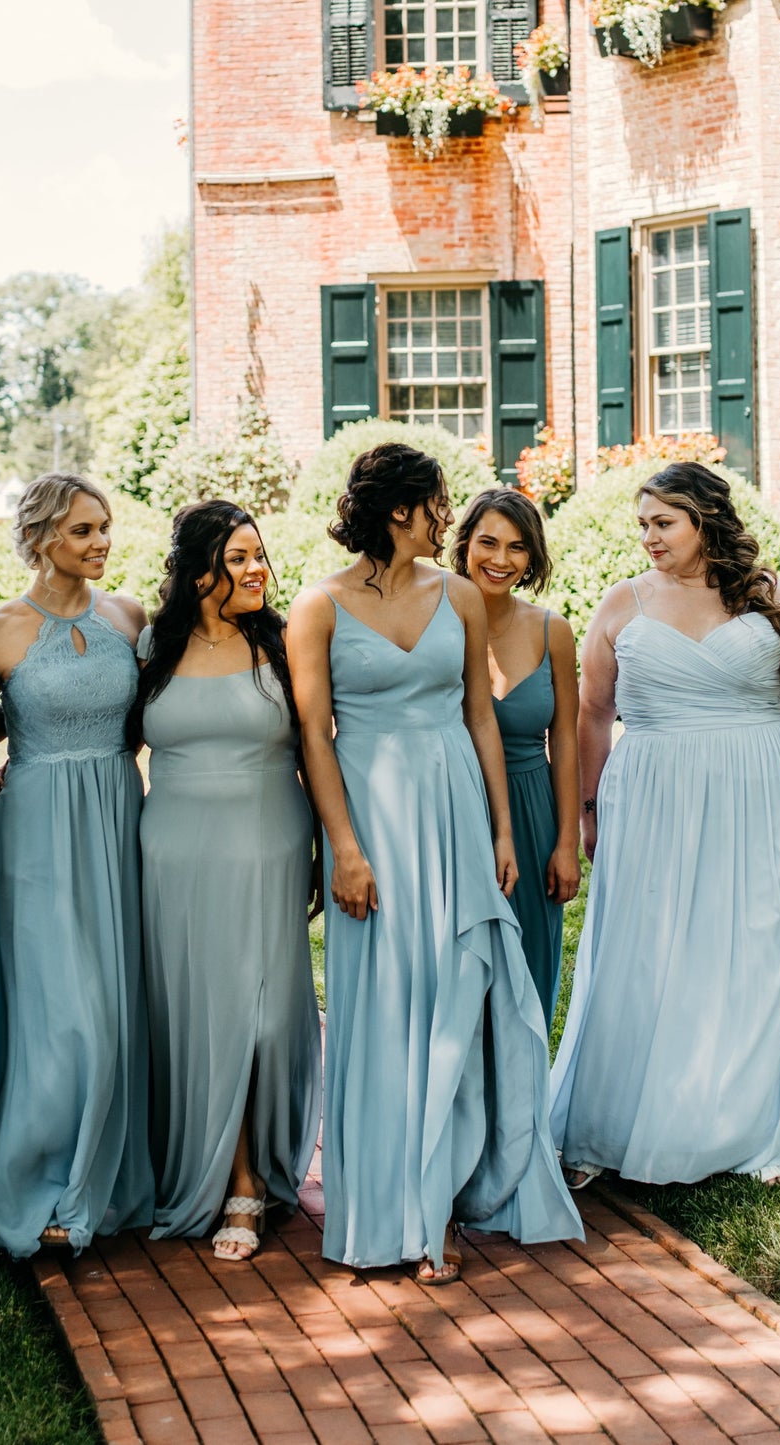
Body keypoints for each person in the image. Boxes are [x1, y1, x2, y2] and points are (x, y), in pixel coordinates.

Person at [288, 443, 581, 1286]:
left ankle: (439, 1206)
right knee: (384, 1003)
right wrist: (343, 848)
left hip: (455, 810)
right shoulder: (319, 607)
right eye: (434, 506)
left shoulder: (458, 596)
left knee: (458, 990)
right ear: (396, 510)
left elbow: (480, 719)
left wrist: (498, 827)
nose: (445, 521)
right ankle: (385, 1208)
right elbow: (315, 738)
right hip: (373, 818)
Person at [550, 461, 780, 1190]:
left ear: (703, 520)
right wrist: (588, 811)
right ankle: (607, 1121)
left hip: (761, 798)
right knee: (639, 956)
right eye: (643, 524)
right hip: (650, 800)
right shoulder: (621, 603)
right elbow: (592, 713)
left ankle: (753, 1125)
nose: (648, 538)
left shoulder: (774, 600)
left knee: (751, 954)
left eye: (663, 523)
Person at [0, 474, 154, 1256]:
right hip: (35, 832)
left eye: (104, 528)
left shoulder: (129, 617)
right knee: (54, 1013)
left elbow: (146, 723)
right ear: (42, 538)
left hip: (117, 816)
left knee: (111, 1004)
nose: (101, 542)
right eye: (83, 531)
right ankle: (37, 1180)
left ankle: (100, 1185)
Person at [133, 500, 322, 1262]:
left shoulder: (282, 644)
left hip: (271, 846)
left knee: (268, 1016)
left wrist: (328, 846)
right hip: (174, 854)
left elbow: (316, 748)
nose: (257, 571)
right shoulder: (152, 644)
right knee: (200, 1011)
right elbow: (105, 733)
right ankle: (234, 1176)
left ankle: (259, 1167)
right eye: (239, 557)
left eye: (259, 556)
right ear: (198, 569)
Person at [452, 488, 580, 1027]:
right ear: (464, 545)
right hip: (455, 802)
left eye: (517, 547)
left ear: (533, 558)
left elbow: (567, 739)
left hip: (532, 809)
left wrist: (566, 843)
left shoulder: (553, 630)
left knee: (529, 968)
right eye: (488, 542)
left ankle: (526, 1106)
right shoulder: (435, 620)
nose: (500, 560)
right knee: (461, 973)